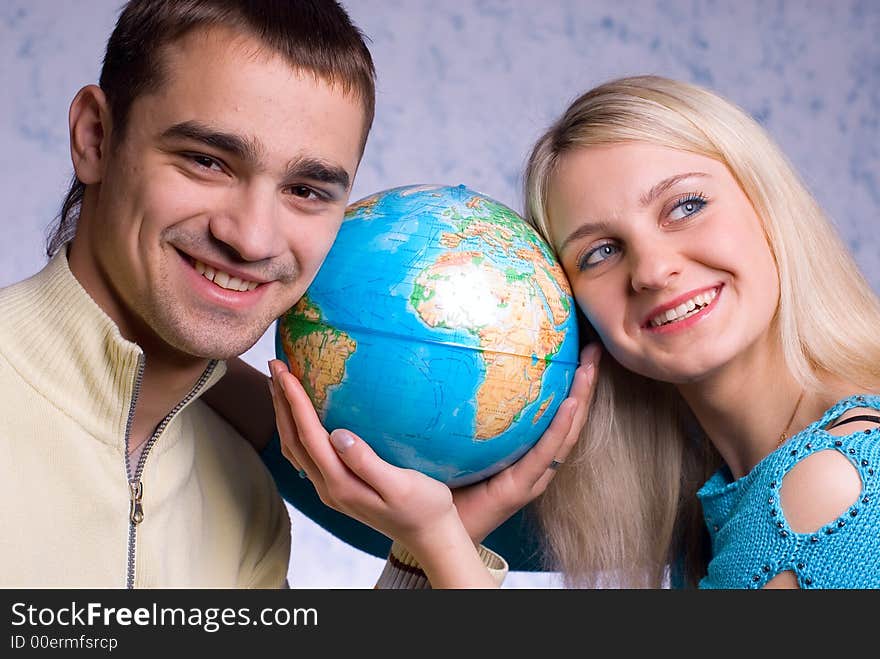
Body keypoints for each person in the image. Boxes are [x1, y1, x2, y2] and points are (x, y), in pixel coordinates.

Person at [267, 74, 880, 588]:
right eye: (600, 252)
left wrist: (437, 543)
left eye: (686, 206)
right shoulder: (733, 489)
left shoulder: (828, 490)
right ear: (572, 312)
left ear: (768, 207)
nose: (654, 270)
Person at [0, 0, 392, 588]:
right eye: (207, 161)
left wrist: (428, 556)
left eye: (306, 190)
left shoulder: (247, 502)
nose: (253, 238)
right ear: (96, 139)